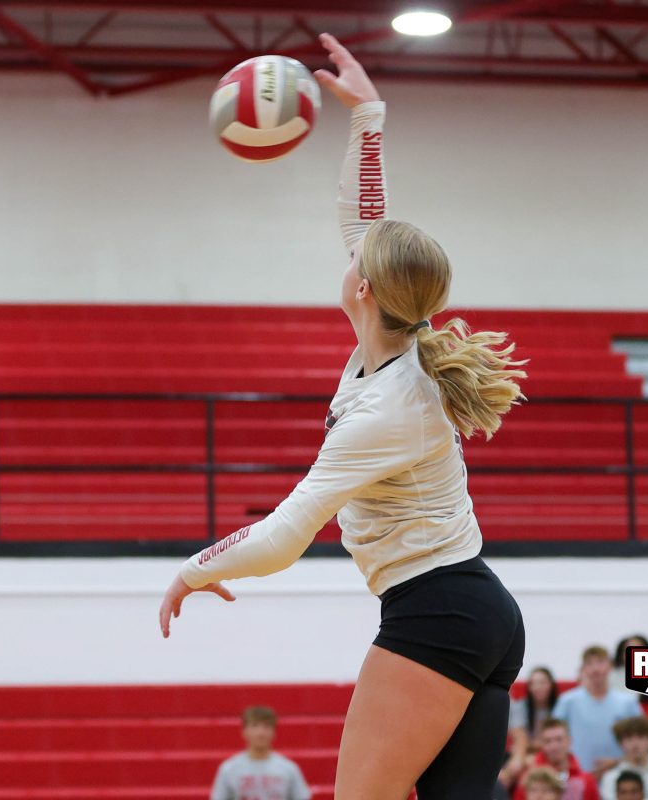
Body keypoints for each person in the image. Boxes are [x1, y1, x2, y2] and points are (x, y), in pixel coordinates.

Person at [158, 32, 528, 800]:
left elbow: (283, 536)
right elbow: (365, 218)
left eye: (356, 257)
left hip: (437, 612)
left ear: (363, 288)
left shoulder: (389, 408)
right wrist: (368, 114)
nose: (349, 253)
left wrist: (193, 571)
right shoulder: (397, 342)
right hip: (476, 610)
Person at [554, 646, 644, 775]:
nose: (595, 669)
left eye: (600, 662)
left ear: (610, 666)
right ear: (584, 669)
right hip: (578, 775)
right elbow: (554, 738)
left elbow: (642, 740)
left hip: (620, 776)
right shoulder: (567, 701)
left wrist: (618, 761)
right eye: (590, 663)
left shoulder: (627, 702)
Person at [210, 706, 313, 800]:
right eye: (254, 726)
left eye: (266, 726)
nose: (260, 733)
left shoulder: (289, 768)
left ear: (274, 732)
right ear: (244, 731)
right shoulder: (229, 769)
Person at [512, 719, 599, 800]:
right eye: (548, 741)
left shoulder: (586, 781)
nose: (554, 746)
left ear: (569, 741)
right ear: (541, 744)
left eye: (559, 739)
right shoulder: (528, 778)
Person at [504, 668, 562, 787]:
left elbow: (559, 738)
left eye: (542, 682)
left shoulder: (561, 706)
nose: (537, 687)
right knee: (510, 771)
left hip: (552, 754)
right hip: (524, 754)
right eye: (533, 683)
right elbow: (520, 737)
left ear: (551, 685)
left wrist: (531, 748)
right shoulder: (520, 706)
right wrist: (519, 758)